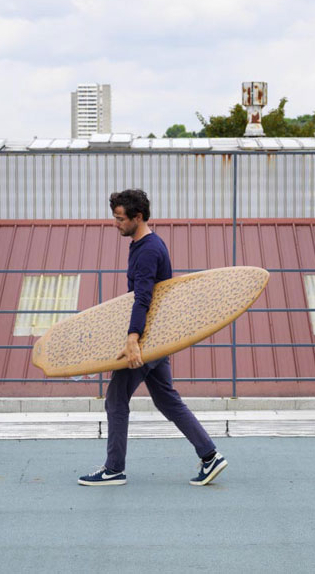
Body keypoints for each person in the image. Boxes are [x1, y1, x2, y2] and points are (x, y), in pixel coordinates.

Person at [78, 189, 227, 487]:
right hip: (159, 335)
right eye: (114, 218)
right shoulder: (143, 244)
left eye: (120, 219)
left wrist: (133, 338)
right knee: (166, 400)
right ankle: (210, 456)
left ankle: (114, 469)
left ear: (138, 217)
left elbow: (143, 298)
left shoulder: (147, 250)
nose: (115, 224)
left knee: (116, 399)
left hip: (147, 338)